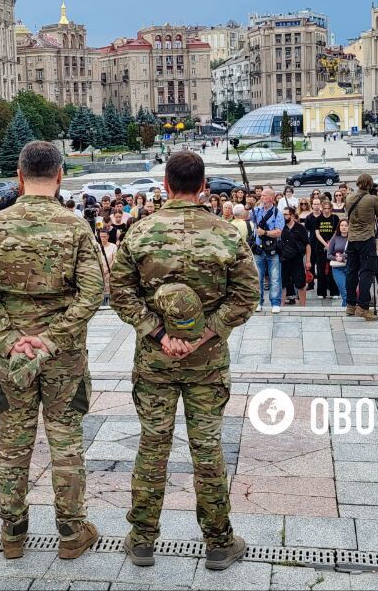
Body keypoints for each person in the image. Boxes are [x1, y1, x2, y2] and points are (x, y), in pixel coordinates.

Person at [109, 150, 259, 572]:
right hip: (206, 363)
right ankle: (218, 543)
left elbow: (120, 293)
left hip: (155, 362)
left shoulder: (140, 233)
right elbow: (247, 296)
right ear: (204, 186)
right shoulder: (226, 234)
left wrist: (160, 334)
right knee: (207, 448)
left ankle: (142, 540)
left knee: (152, 446)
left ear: (166, 185)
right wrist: (203, 334)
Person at [0, 141, 104, 561]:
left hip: (13, 358)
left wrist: (10, 339)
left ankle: (12, 534)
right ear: (60, 175)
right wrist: (52, 337)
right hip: (64, 356)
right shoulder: (75, 227)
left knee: (13, 441)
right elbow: (93, 291)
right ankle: (71, 532)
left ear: (19, 177)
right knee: (66, 441)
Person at [343, 173, 378, 320]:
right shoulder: (372, 199)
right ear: (370, 185)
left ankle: (350, 305)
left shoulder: (349, 197)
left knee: (351, 272)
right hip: (366, 238)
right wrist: (377, 199)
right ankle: (363, 307)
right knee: (367, 273)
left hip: (352, 239)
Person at [249, 188, 284, 313]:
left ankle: (275, 303)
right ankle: (258, 302)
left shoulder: (277, 213)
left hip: (272, 249)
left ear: (271, 198)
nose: (261, 197)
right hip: (258, 249)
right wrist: (248, 205)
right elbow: (244, 216)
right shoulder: (256, 210)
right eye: (262, 195)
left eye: (264, 195)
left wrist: (264, 232)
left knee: (275, 277)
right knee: (258, 277)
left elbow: (279, 231)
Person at [305, 199, 339, 301]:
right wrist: (325, 244)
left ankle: (334, 291)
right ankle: (321, 292)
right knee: (320, 270)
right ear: (322, 208)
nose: (327, 210)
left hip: (333, 246)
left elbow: (336, 232)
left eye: (328, 208)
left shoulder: (335, 218)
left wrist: (330, 244)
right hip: (320, 247)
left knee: (332, 270)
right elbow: (317, 234)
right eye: (325, 208)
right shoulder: (318, 219)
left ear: (331, 209)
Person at [279, 206, 310, 306]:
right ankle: (281, 306)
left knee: (300, 284)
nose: (283, 216)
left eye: (286, 214)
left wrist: (308, 261)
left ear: (292, 215)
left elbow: (307, 244)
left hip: (297, 259)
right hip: (283, 260)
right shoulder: (280, 227)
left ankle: (303, 306)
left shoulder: (300, 228)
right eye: (282, 214)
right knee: (282, 284)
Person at [327, 219, 350, 306]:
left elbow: (354, 254)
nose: (344, 227)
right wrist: (336, 258)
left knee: (350, 291)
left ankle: (346, 308)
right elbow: (328, 255)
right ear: (339, 227)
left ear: (349, 227)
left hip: (350, 267)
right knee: (344, 291)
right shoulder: (334, 238)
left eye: (346, 225)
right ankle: (347, 308)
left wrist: (342, 257)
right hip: (337, 268)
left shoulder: (352, 238)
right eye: (342, 225)